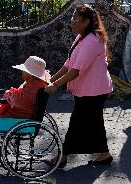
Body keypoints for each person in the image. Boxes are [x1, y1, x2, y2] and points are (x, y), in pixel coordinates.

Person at [45, 4, 113, 168]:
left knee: (77, 123)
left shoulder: (92, 40)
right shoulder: (82, 37)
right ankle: (104, 154)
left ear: (87, 22)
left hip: (94, 90)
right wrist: (49, 80)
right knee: (94, 122)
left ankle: (62, 156)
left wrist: (54, 85)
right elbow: (68, 65)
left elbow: (76, 70)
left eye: (76, 20)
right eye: (72, 19)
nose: (72, 22)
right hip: (89, 89)